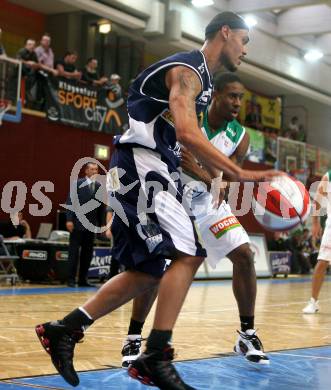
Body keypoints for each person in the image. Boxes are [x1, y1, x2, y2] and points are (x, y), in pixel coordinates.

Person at [35, 12, 280, 389]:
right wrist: (239, 174)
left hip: (151, 168)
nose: (245, 50)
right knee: (189, 252)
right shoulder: (188, 70)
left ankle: (65, 329)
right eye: (244, 41)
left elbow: (181, 141)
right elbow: (187, 132)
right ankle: (155, 354)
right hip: (138, 165)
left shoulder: (204, 85)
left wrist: (212, 176)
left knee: (151, 270)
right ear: (226, 33)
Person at [120, 73, 269, 369]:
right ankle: (134, 337)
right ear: (216, 96)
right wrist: (210, 176)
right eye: (232, 96)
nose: (238, 103)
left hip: (208, 201)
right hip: (170, 193)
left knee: (245, 255)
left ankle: (247, 334)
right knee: (156, 264)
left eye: (241, 98)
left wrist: (205, 174)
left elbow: (225, 183)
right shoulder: (189, 116)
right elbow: (176, 160)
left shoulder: (240, 135)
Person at [65, 163, 105, 287]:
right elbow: (70, 202)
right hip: (77, 223)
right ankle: (71, 279)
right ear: (86, 171)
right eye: (92, 169)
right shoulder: (77, 184)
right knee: (74, 253)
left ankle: (83, 279)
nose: (94, 171)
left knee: (87, 254)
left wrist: (102, 225)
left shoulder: (99, 186)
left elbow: (101, 208)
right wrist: (69, 220)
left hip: (91, 225)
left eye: (96, 170)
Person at [303, 171, 331, 314]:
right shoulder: (329, 177)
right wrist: (315, 222)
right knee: (322, 262)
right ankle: (313, 302)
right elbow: (318, 201)